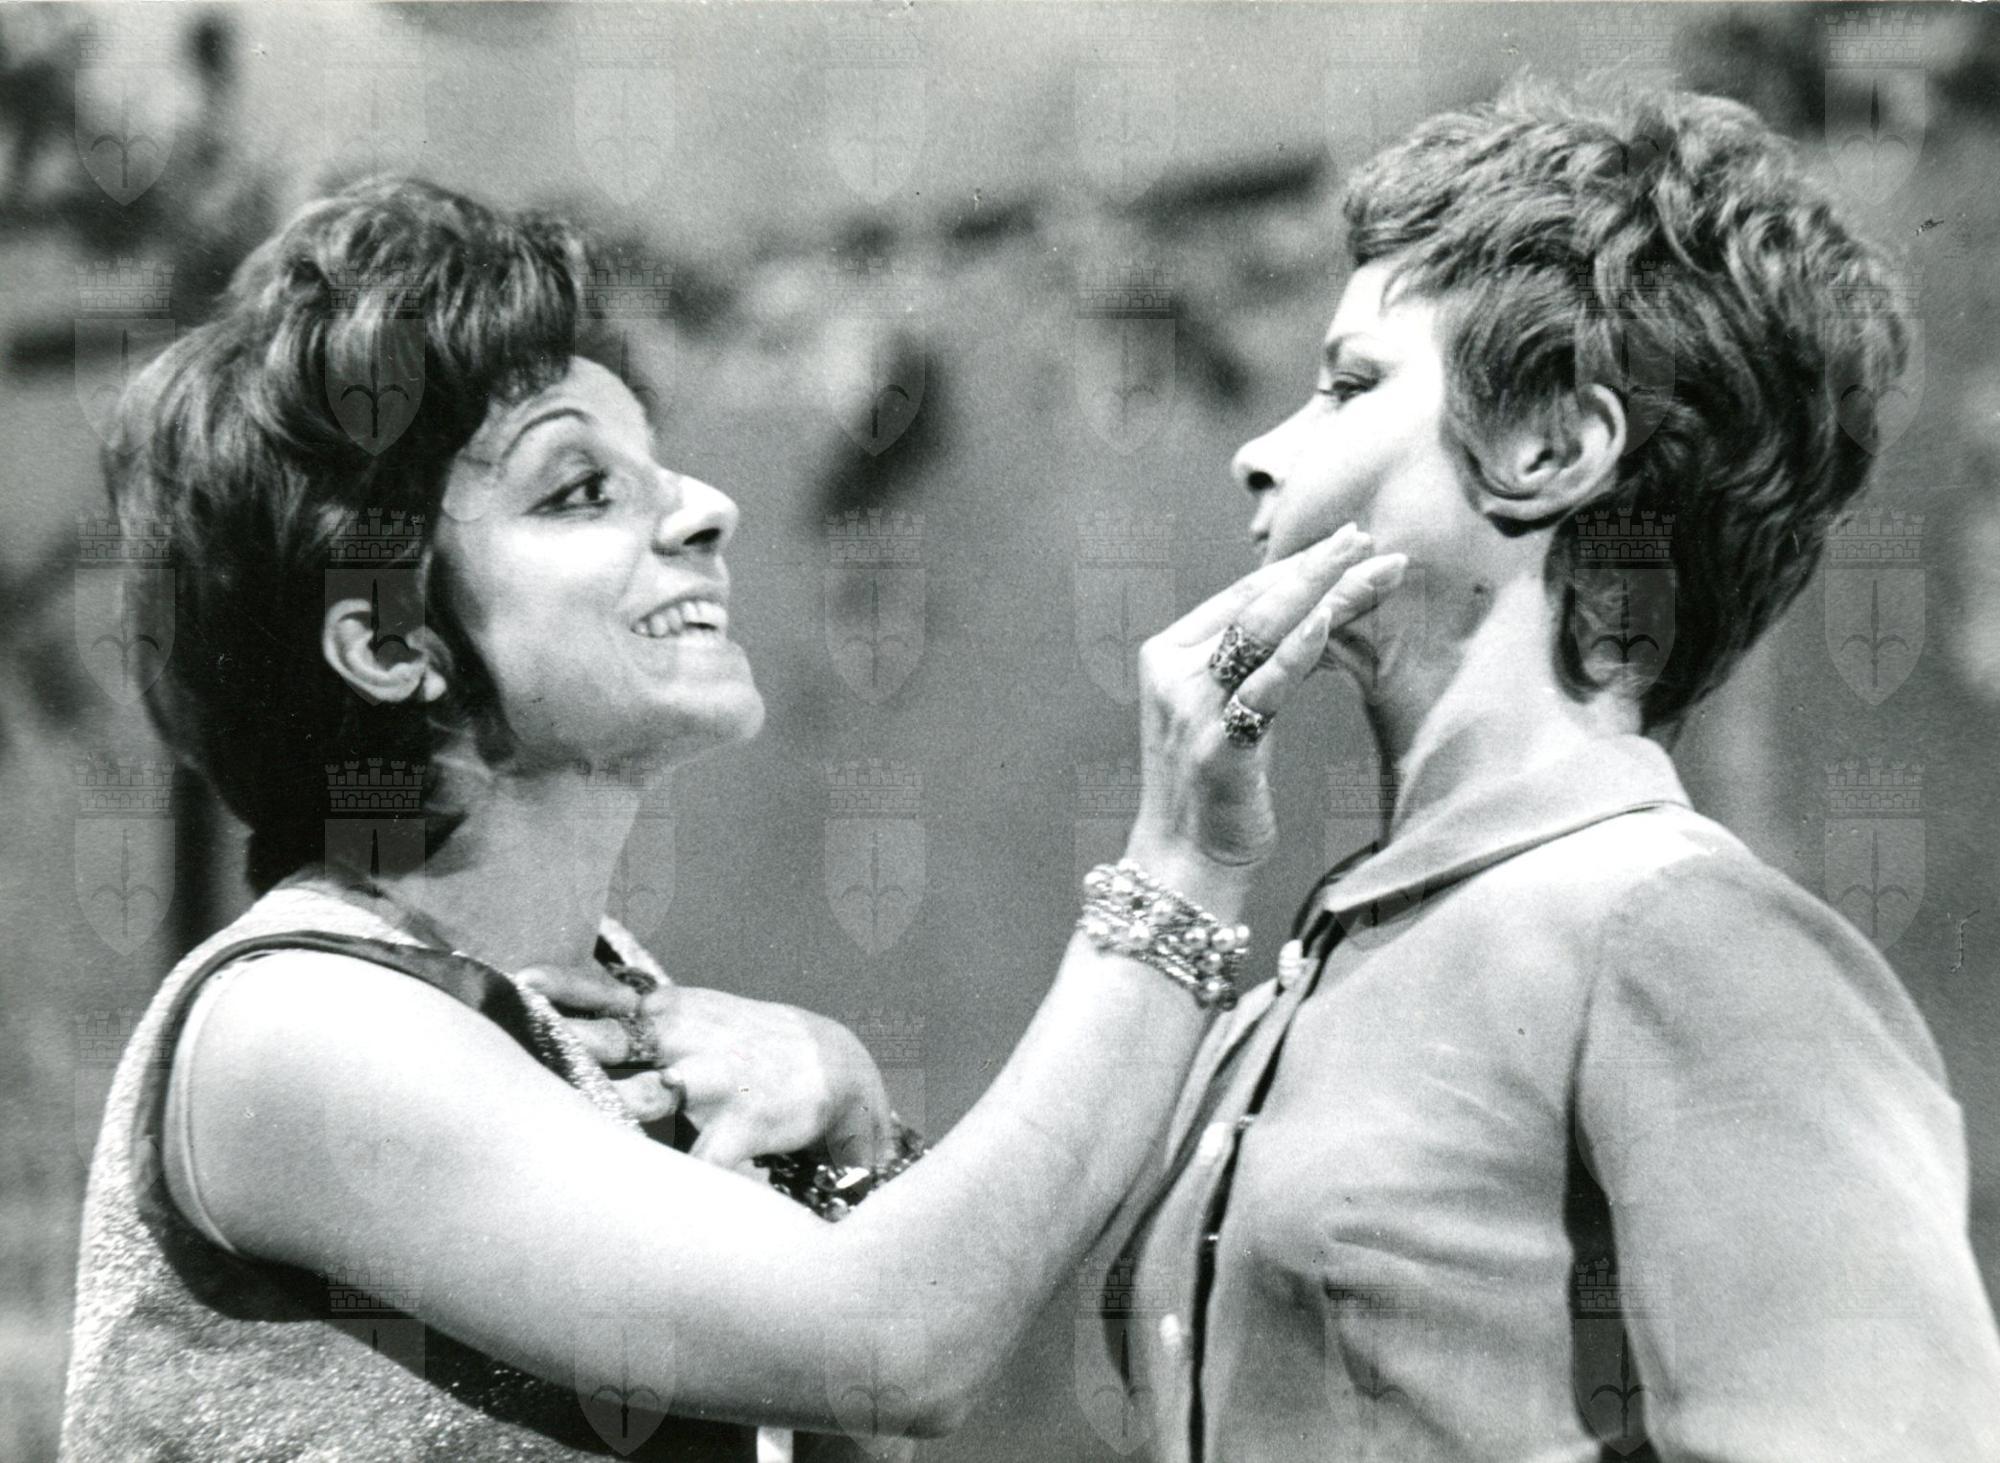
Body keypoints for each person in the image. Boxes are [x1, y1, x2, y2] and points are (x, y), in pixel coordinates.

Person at [58, 176, 1406, 1461]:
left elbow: (874, 1392)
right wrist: (1184, 859)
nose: (707, 509)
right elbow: (892, 1344)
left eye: (658, 468)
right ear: (388, 644)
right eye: (580, 490)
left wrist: (857, 1134)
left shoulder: (597, 1000)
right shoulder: (297, 1028)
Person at [1107, 78, 2000, 1463]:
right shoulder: (1338, 953)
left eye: (1349, 384)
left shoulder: (1685, 939)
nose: (1256, 451)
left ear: (1550, 449)